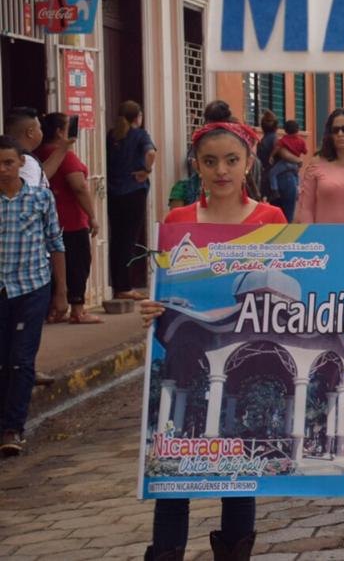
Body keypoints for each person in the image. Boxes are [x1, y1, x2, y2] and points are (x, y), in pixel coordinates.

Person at [139, 119, 285, 560]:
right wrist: (152, 308)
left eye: (231, 160)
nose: (221, 170)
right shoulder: (179, 220)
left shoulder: (271, 219)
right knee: (172, 479)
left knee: (237, 479)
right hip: (187, 352)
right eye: (210, 161)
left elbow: (285, 282)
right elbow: (167, 286)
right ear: (196, 166)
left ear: (248, 164)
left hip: (244, 351)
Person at [0, 134, 67, 457]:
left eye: (8, 163)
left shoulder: (40, 199)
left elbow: (56, 244)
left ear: (21, 163)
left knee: (21, 360)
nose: (3, 170)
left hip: (32, 288)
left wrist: (61, 293)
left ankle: (13, 428)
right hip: (2, 290)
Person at [36, 114, 100, 324]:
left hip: (48, 222)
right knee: (78, 264)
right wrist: (92, 216)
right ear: (59, 132)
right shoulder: (64, 156)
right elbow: (79, 187)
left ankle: (54, 309)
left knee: (53, 268)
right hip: (71, 221)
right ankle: (78, 309)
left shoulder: (39, 155)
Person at [106, 100, 156, 301]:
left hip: (113, 192)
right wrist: (147, 170)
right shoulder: (140, 135)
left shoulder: (112, 135)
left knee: (116, 239)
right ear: (138, 117)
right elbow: (151, 152)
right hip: (133, 191)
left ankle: (118, 284)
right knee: (128, 240)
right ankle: (125, 286)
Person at [5, 107, 66, 189]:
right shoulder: (26, 162)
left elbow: (39, 174)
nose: (41, 132)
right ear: (30, 132)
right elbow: (28, 197)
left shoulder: (21, 159)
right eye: (39, 128)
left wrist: (64, 147)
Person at [268, 120, 308, 222]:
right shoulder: (301, 141)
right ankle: (298, 191)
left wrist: (272, 156)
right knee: (296, 176)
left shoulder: (283, 140)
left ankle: (274, 189)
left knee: (272, 173)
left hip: (285, 164)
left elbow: (277, 147)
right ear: (298, 130)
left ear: (285, 130)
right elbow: (305, 151)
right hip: (294, 166)